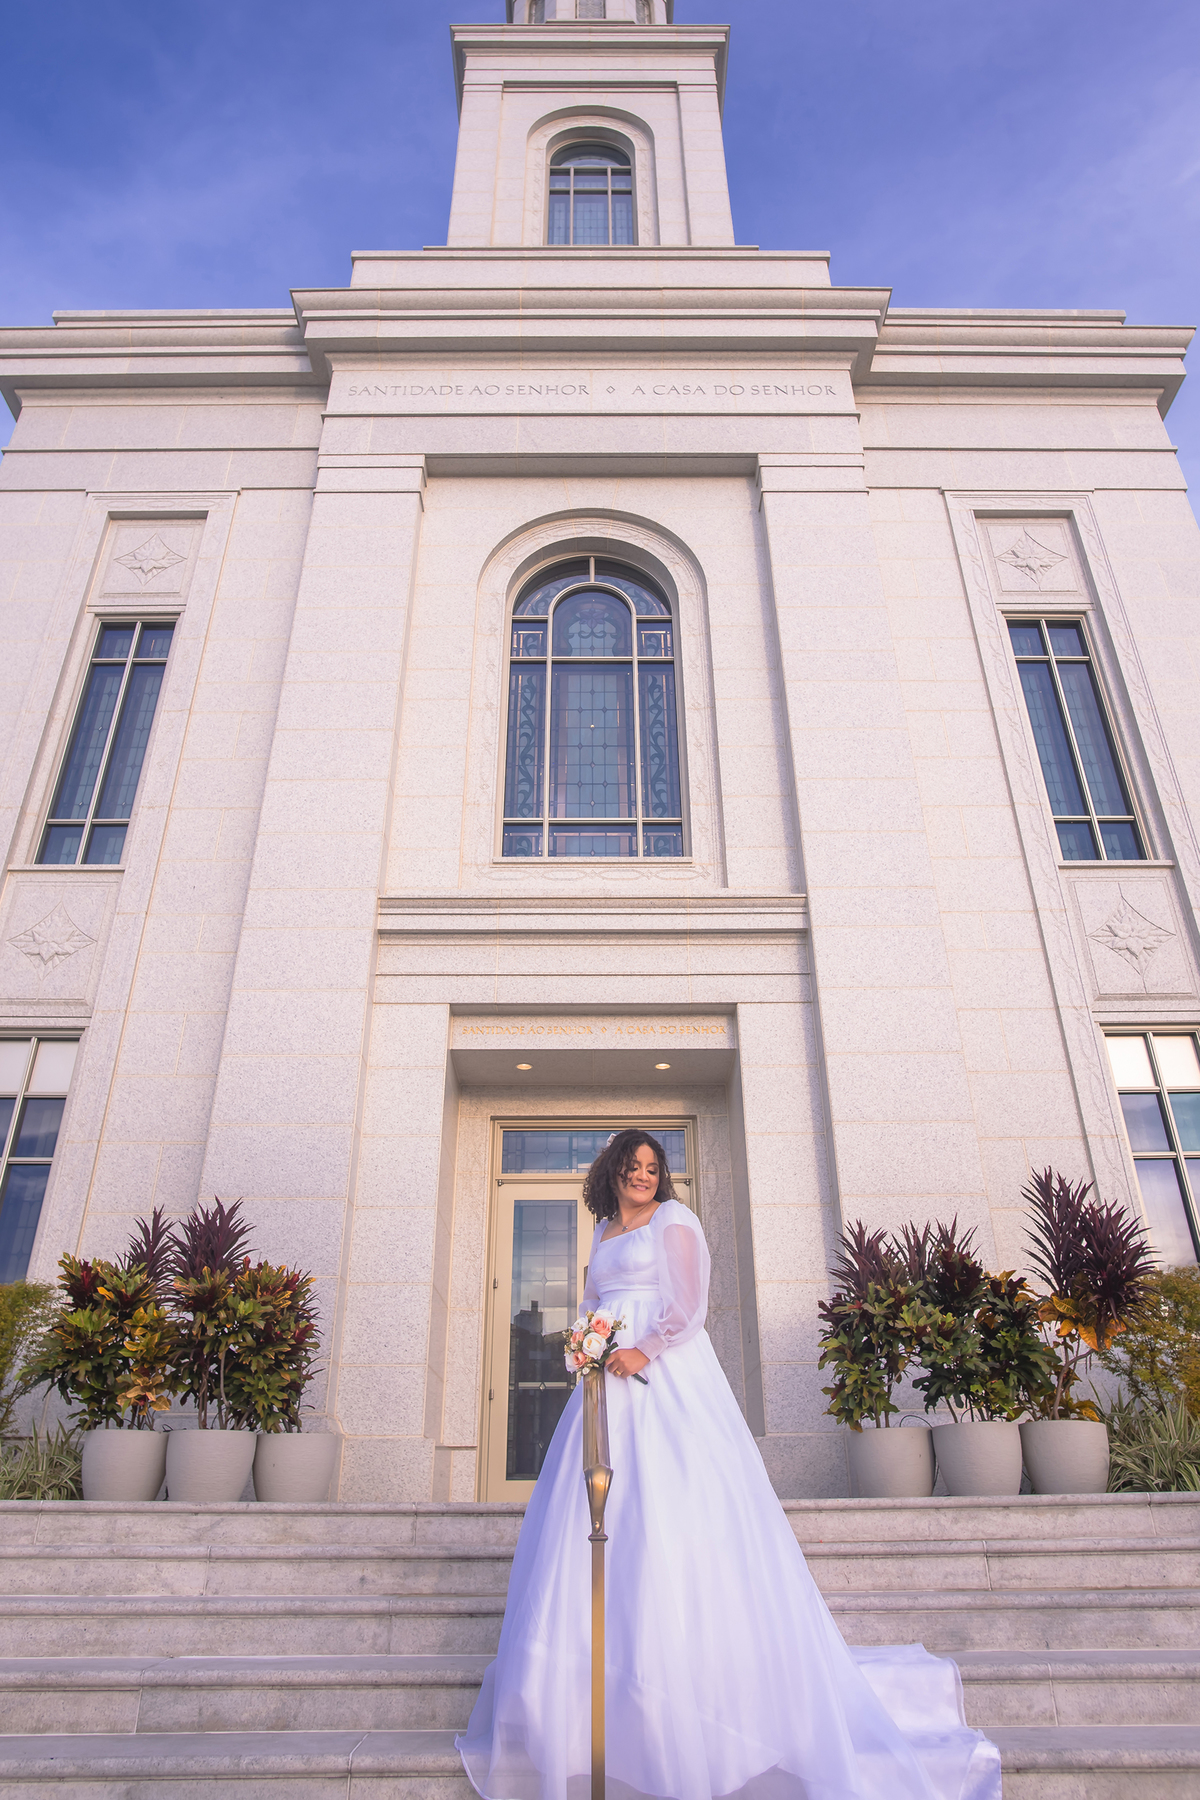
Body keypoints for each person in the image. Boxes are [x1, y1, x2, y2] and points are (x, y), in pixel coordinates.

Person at [457, 1129, 1001, 1800]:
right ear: (612, 1173)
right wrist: (586, 1345)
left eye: (654, 1168)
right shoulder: (600, 1231)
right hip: (604, 1389)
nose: (644, 1177)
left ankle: (691, 1696)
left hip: (662, 1378)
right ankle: (593, 1701)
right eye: (633, 1167)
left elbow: (689, 1308)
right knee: (594, 1521)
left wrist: (642, 1351)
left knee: (671, 1509)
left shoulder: (676, 1223)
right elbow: (593, 1305)